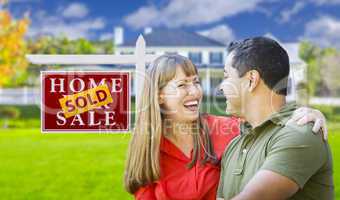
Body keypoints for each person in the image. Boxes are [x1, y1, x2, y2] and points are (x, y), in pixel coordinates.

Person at [124, 54, 328, 200]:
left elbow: (269, 121)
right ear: (159, 96)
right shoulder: (150, 151)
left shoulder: (226, 129)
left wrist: (302, 113)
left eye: (196, 82)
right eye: (182, 85)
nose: (195, 92)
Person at [217, 37, 334, 200]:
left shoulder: (301, 131)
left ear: (251, 80)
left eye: (226, 76)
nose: (221, 87)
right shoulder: (234, 146)